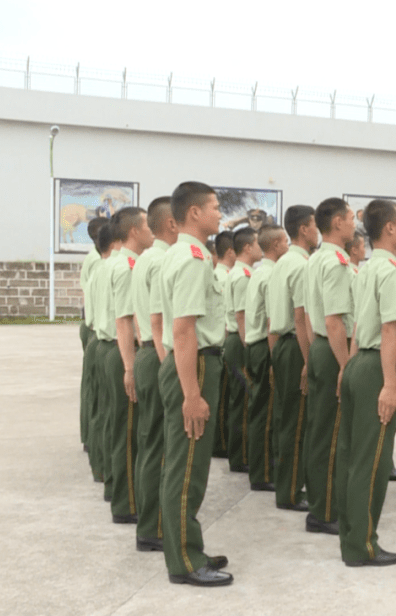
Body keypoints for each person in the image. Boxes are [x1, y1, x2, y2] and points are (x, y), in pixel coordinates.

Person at [157, 181, 231, 587]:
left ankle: (188, 547)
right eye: (215, 207)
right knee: (187, 470)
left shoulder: (182, 254)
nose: (220, 214)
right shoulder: (191, 258)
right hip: (195, 367)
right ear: (194, 213)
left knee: (185, 465)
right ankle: (185, 560)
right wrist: (190, 393)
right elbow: (184, 331)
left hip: (192, 365)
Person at [336, 199, 396, 567]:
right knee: (373, 462)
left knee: (352, 458)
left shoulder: (364, 268)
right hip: (377, 367)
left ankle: (350, 538)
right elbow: (389, 329)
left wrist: (347, 368)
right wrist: (390, 385)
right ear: (391, 229)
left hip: (358, 364)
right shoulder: (392, 270)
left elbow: (356, 326)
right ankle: (362, 546)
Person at [302, 197, 357, 535]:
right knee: (333, 435)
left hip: (322, 348)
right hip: (336, 349)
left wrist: (313, 357)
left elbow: (311, 317)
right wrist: (346, 367)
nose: (354, 224)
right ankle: (325, 512)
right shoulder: (336, 262)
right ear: (337, 223)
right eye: (351, 218)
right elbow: (334, 321)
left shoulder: (316, 259)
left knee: (321, 432)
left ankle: (321, 506)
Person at [131, 196, 176, 552]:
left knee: (151, 444)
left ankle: (149, 524)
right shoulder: (162, 261)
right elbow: (160, 322)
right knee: (161, 448)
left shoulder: (145, 259)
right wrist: (167, 367)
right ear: (173, 224)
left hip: (146, 352)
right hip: (159, 354)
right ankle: (156, 527)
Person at [267, 206, 317, 511]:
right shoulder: (299, 265)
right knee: (298, 424)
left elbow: (275, 315)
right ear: (303, 229)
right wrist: (308, 360)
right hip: (297, 346)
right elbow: (300, 317)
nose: (317, 232)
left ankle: (288, 486)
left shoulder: (283, 263)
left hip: (283, 345)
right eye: (314, 226)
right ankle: (289, 492)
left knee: (287, 420)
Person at [106, 207, 154, 525]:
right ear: (135, 231)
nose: (154, 230)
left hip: (124, 352)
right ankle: (127, 505)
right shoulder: (126, 267)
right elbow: (124, 321)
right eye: (149, 225)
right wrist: (129, 367)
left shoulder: (125, 263)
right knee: (128, 434)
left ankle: (125, 496)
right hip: (126, 352)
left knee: (127, 429)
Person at [243, 224, 287, 491]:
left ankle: (261, 469)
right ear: (276, 245)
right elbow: (273, 321)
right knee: (267, 413)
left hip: (255, 344)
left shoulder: (259, 273)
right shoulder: (271, 275)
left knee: (260, 410)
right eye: (284, 242)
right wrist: (274, 359)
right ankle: (262, 473)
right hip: (265, 345)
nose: (287, 246)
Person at [90, 221, 123, 508]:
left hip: (103, 343)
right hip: (115, 345)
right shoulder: (121, 267)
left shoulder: (101, 268)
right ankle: (120, 491)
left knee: (105, 414)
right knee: (121, 424)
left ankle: (104, 471)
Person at [225, 228, 261, 473]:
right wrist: (248, 344)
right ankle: (241, 456)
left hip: (236, 339)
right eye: (258, 243)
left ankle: (239, 454)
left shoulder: (239, 272)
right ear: (248, 247)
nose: (260, 247)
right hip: (240, 341)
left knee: (240, 398)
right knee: (244, 399)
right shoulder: (243, 276)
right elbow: (241, 315)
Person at [83, 221, 113, 485]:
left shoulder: (102, 267)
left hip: (101, 337)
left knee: (101, 406)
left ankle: (101, 467)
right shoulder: (113, 268)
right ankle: (104, 470)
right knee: (107, 411)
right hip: (108, 339)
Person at [211, 231, 236, 458]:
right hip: (223, 339)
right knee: (223, 396)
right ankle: (219, 443)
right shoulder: (224, 277)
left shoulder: (220, 274)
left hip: (222, 340)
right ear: (230, 252)